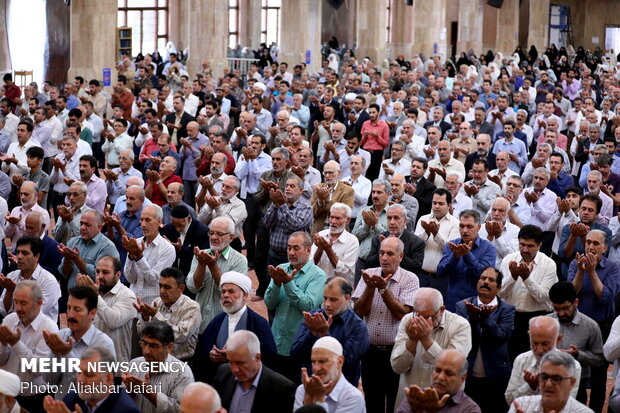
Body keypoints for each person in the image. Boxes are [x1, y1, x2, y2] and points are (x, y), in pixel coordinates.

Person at [353, 237, 419, 413]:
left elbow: (402, 313)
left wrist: (383, 289)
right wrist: (369, 288)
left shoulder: (410, 279)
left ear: (401, 256)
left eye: (390, 254)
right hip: (370, 352)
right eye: (382, 253)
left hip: (396, 352)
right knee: (372, 402)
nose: (384, 258)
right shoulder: (369, 274)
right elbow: (359, 311)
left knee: (394, 402)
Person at [391, 287, 472, 409]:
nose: (421, 322)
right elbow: (397, 367)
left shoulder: (460, 326)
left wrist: (426, 340)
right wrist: (412, 341)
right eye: (418, 315)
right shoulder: (408, 320)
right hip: (410, 402)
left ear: (442, 310)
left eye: (428, 317)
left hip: (445, 404)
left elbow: (451, 366)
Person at [194, 271, 277, 383]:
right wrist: (211, 354)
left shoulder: (259, 323)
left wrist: (232, 357)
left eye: (231, 291)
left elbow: (269, 358)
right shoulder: (217, 321)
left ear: (244, 295)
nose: (226, 295)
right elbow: (202, 350)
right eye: (223, 292)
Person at [265, 231, 326, 381]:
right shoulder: (282, 268)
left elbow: (308, 305)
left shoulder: (318, 275)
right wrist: (277, 284)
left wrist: (287, 283)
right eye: (289, 248)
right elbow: (269, 303)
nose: (291, 252)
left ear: (308, 250)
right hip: (276, 343)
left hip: (298, 346)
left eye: (296, 248)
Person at [455, 267, 515, 413]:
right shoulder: (462, 306)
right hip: (467, 375)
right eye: (483, 278)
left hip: (495, 377)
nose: (486, 282)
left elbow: (500, 337)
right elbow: (462, 338)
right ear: (477, 282)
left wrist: (486, 318)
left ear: (499, 287)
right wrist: (473, 318)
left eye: (491, 280)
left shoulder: (507, 309)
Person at [292, 277, 370, 386]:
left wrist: (325, 335)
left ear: (347, 298)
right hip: (310, 388)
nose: (327, 304)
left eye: (333, 299)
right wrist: (312, 333)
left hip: (341, 393)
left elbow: (344, 362)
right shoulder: (314, 318)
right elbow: (295, 354)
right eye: (325, 298)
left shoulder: (357, 327)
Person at [43, 285, 117, 401]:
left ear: (92, 313)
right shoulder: (60, 336)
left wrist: (66, 353)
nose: (70, 315)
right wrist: (54, 352)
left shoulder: (103, 344)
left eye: (77, 309)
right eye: (68, 308)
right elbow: (49, 380)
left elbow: (96, 387)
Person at [499, 224, 558, 362]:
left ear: (540, 245)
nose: (525, 249)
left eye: (530, 246)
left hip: (537, 318)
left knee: (534, 361)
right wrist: (513, 277)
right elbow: (500, 293)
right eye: (522, 244)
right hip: (511, 317)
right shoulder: (509, 259)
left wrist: (526, 278)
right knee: (510, 360)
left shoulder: (549, 264)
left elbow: (543, 297)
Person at [0, 280, 58, 412]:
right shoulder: (10, 320)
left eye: (23, 303)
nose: (18, 308)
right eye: (16, 302)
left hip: (35, 399)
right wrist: (3, 344)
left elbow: (39, 370)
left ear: (39, 303)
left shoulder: (49, 328)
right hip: (8, 396)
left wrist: (15, 343)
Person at [187, 216, 248, 333]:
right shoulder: (200, 255)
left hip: (223, 326)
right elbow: (193, 288)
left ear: (230, 237)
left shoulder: (239, 261)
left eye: (219, 234)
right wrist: (201, 264)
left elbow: (229, 291)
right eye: (211, 233)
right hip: (198, 324)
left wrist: (212, 265)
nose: (214, 237)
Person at [548, 281, 605, 405]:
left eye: (565, 308)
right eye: (556, 309)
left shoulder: (591, 326)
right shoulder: (546, 322)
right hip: (547, 384)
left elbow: (599, 360)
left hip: (577, 386)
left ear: (576, 303)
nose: (561, 313)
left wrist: (578, 354)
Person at [504, 316, 581, 405]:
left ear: (558, 339)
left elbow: (565, 406)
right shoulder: (521, 360)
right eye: (535, 343)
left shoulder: (572, 366)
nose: (539, 350)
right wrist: (529, 387)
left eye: (545, 344)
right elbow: (509, 400)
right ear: (529, 336)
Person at [214, 330, 296, 413]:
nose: (234, 369)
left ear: (257, 358)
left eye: (240, 363)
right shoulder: (224, 373)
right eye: (231, 362)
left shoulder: (282, 389)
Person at [122, 321, 194, 413]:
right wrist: (129, 392)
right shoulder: (134, 364)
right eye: (144, 344)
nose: (146, 351)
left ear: (169, 347)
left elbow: (182, 410)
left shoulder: (182, 373)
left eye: (153, 346)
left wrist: (150, 393)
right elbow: (121, 403)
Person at [76, 255, 137, 363]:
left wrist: (94, 295)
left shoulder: (128, 296)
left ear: (118, 275)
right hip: (89, 363)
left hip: (115, 368)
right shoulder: (92, 293)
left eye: (105, 272)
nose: (100, 276)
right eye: (97, 271)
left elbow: (113, 321)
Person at [135, 267, 201, 361]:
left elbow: (180, 335)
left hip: (180, 362)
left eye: (167, 287)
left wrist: (156, 316)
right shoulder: (157, 302)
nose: (162, 291)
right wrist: (145, 317)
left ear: (181, 288)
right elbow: (142, 334)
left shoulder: (192, 307)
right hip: (155, 359)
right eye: (160, 286)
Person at [437, 210, 496, 311]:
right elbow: (440, 271)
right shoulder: (451, 245)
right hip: (452, 303)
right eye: (461, 226)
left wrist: (467, 255)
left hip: (475, 306)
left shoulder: (489, 248)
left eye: (469, 226)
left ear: (479, 227)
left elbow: (484, 276)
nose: (464, 230)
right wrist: (454, 256)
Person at [294, 336, 366, 412]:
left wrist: (319, 399)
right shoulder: (303, 390)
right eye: (313, 362)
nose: (316, 368)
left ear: (340, 361)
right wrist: (308, 397)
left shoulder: (353, 397)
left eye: (322, 361)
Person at [57, 347, 140, 413]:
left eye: (89, 374)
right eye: (79, 373)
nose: (80, 380)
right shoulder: (71, 399)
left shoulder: (126, 410)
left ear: (108, 378)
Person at [396, 349, 481, 413]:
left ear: (462, 378)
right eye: (437, 370)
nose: (440, 377)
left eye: (449, 373)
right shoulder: (417, 398)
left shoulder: (469, 409)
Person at [123, 204, 176, 307]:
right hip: (132, 304)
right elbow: (130, 278)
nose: (143, 224)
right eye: (141, 220)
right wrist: (131, 256)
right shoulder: (135, 243)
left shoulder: (167, 249)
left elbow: (153, 279)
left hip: (152, 306)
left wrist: (139, 257)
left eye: (148, 220)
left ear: (159, 222)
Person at [0, 235, 61, 323]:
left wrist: (16, 290)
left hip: (41, 333)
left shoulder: (48, 281)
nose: (19, 257)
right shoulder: (12, 276)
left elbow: (35, 313)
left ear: (36, 257)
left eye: (25, 253)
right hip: (16, 331)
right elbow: (3, 311)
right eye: (18, 252)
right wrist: (9, 291)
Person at [509, 351, 592, 413]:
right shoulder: (521, 405)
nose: (548, 384)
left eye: (556, 379)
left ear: (571, 383)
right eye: (544, 377)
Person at [366, 203, 425, 276]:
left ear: (405, 221)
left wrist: (397, 250)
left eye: (396, 218)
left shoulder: (416, 242)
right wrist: (382, 250)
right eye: (389, 218)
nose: (392, 222)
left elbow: (416, 269)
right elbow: (368, 264)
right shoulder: (378, 238)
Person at [310, 203, 359, 283]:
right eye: (331, 217)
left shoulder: (352, 241)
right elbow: (310, 265)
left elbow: (346, 273)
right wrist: (320, 249)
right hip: (318, 286)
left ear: (347, 220)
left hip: (339, 290)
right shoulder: (321, 235)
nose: (333, 221)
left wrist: (329, 250)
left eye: (338, 218)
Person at [160, 204, 210, 276]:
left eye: (180, 225)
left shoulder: (202, 231)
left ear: (189, 219)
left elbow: (202, 255)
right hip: (173, 273)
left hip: (191, 273)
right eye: (174, 225)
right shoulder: (168, 228)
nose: (177, 229)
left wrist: (181, 248)